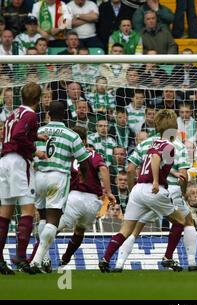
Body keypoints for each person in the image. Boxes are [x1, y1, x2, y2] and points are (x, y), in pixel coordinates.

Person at [98, 110, 186, 272]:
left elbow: (150, 160)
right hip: (153, 189)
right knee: (180, 221)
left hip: (138, 189)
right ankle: (168, 257)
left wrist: (172, 172)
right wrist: (155, 181)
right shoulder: (169, 146)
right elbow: (155, 159)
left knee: (125, 229)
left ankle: (106, 258)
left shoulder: (154, 143)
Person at [113, 132, 197, 272]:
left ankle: (119, 264)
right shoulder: (177, 145)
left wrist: (133, 189)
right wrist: (183, 192)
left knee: (135, 228)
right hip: (170, 190)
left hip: (145, 190)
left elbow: (131, 169)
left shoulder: (145, 143)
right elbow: (183, 175)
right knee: (187, 221)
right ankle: (191, 262)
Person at [29, 101, 91, 273]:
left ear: (48, 114)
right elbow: (84, 161)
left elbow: (29, 150)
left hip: (39, 176)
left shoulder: (39, 131)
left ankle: (45, 259)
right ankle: (36, 260)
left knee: (42, 218)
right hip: (58, 177)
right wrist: (83, 176)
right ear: (64, 115)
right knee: (53, 220)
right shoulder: (71, 135)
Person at [0, 82, 48, 275]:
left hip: (4, 161)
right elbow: (20, 135)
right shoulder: (31, 114)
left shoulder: (14, 114)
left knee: (5, 212)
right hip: (19, 163)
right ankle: (21, 256)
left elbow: (13, 133)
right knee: (28, 209)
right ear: (38, 100)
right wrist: (36, 150)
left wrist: (37, 136)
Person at [55, 127, 115, 267]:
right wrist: (108, 192)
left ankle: (36, 258)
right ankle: (66, 258)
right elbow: (104, 169)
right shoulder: (93, 154)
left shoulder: (67, 154)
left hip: (73, 197)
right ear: (85, 140)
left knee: (54, 228)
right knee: (80, 230)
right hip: (92, 201)